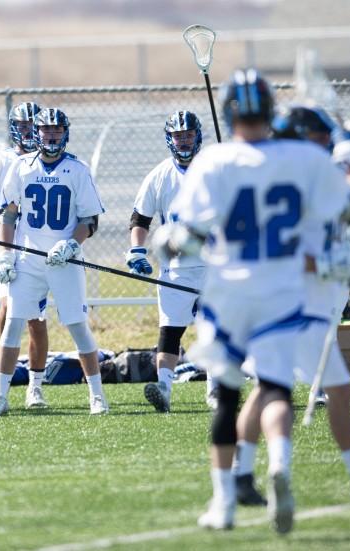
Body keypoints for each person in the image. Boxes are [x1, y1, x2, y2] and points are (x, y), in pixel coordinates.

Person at [155, 69, 350, 533]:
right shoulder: (302, 157)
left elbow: (190, 232)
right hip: (282, 287)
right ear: (271, 110)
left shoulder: (215, 161)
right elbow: (349, 209)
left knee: (227, 397)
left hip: (229, 291)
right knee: (277, 387)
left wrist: (168, 241)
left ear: (229, 112)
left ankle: (223, 500)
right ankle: (279, 462)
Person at [230, 104, 350, 508]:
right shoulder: (306, 178)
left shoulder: (271, 174)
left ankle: (244, 473)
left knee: (270, 388)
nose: (324, 142)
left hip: (270, 299)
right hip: (299, 300)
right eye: (317, 137)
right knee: (329, 389)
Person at [0, 107, 107, 417]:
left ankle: (98, 396)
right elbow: (8, 215)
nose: (51, 136)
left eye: (56, 131)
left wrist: (70, 243)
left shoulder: (77, 169)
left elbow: (89, 220)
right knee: (12, 324)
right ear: (37, 134)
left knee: (78, 327)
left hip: (65, 261)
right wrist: (4, 252)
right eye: (46, 131)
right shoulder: (21, 167)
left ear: (65, 133)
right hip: (29, 260)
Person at [0, 101, 52, 408]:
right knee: (8, 308)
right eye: (25, 126)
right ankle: (7, 373)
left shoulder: (46, 161)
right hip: (2, 245)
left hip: (34, 246)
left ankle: (35, 385)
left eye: (35, 126)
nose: (30, 132)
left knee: (36, 320)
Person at [128, 110, 206, 413]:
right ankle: (164, 388)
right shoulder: (160, 174)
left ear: (197, 136)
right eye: (178, 135)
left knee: (215, 330)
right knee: (170, 331)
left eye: (187, 134)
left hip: (214, 264)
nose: (183, 140)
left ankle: (216, 391)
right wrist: (137, 250)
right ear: (169, 139)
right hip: (176, 269)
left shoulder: (213, 169)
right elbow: (140, 218)